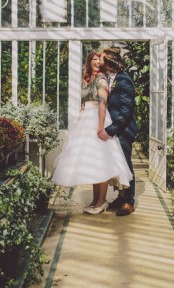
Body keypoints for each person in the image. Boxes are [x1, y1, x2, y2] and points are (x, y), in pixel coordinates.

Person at [50, 51, 133, 215]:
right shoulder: (87, 80)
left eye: (99, 60)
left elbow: (102, 105)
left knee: (101, 161)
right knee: (93, 164)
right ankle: (96, 200)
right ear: (88, 62)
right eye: (93, 59)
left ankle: (102, 202)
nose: (97, 62)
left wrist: (101, 127)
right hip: (86, 122)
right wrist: (78, 124)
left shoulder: (101, 79)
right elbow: (82, 105)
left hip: (98, 120)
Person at [97, 47, 138, 216]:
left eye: (101, 59)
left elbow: (126, 110)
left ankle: (129, 201)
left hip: (123, 131)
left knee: (125, 165)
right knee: (116, 165)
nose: (98, 62)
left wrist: (110, 130)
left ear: (109, 63)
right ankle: (121, 197)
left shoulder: (124, 80)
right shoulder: (110, 78)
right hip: (114, 130)